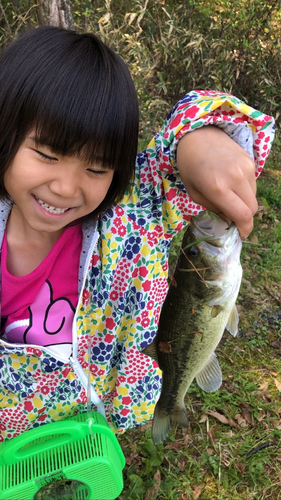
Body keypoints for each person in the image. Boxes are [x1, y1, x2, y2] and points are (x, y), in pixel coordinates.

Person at [0, 26, 275, 441]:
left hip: (93, 428)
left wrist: (202, 144)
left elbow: (197, 120)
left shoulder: (135, 214)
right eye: (46, 154)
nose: (65, 187)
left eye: (96, 168)